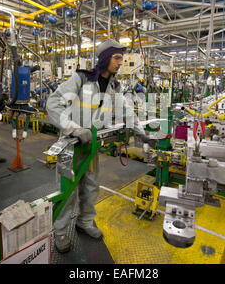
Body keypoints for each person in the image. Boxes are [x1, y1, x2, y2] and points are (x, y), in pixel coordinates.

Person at [46, 39, 157, 253]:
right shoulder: (82, 79)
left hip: (93, 146)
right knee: (68, 190)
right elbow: (53, 102)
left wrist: (141, 134)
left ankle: (85, 222)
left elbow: (126, 111)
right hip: (71, 145)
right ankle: (60, 230)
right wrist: (74, 128)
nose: (119, 63)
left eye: (121, 59)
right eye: (116, 58)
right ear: (105, 58)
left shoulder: (115, 87)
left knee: (91, 186)